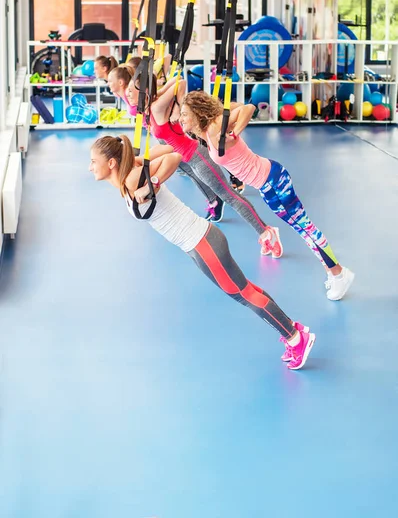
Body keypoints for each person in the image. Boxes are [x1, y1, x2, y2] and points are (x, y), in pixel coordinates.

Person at [89, 134, 316, 370]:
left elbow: (175, 156)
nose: (90, 166)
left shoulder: (134, 178)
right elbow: (165, 149)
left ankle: (296, 338)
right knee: (246, 289)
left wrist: (153, 182)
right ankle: (292, 328)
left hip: (202, 242)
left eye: (94, 161)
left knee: (243, 294)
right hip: (198, 244)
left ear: (111, 162)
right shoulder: (131, 174)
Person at [180, 91, 355, 301]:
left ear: (197, 114)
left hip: (273, 183)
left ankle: (338, 273)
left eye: (184, 114)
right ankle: (333, 271)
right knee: (301, 227)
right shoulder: (208, 132)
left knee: (305, 228)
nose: (181, 119)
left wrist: (235, 130)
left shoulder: (217, 126)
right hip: (268, 182)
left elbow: (249, 108)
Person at [107, 65, 282, 257]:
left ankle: (267, 232)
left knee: (230, 196)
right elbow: (169, 145)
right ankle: (245, 220)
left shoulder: (156, 106)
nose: (128, 94)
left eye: (132, 90)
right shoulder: (150, 108)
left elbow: (180, 81)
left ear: (144, 91)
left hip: (198, 156)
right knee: (224, 195)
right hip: (190, 159)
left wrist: (179, 107)